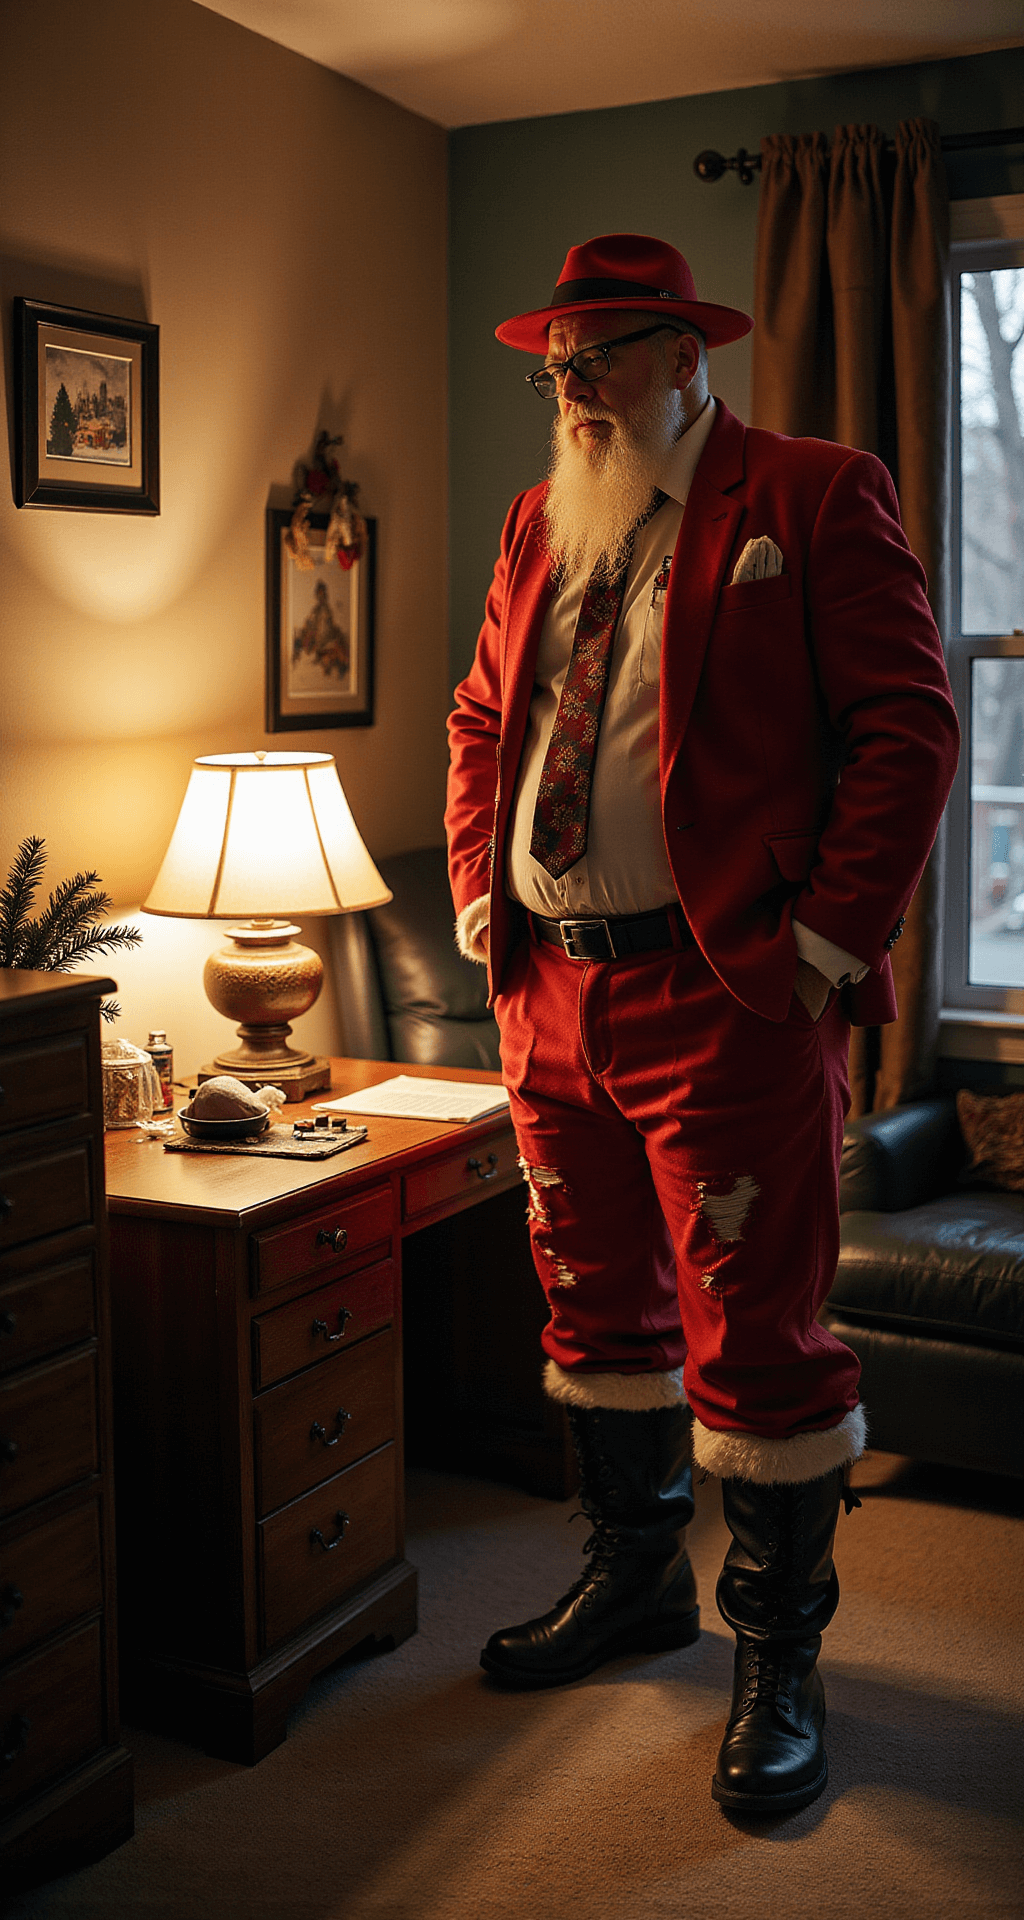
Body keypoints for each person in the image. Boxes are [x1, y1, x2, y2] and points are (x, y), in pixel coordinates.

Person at [444, 232, 959, 1815]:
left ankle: (779, 1656)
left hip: (726, 995)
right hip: (551, 991)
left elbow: (909, 724)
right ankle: (637, 1581)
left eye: (602, 354)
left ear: (685, 354)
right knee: (594, 1311)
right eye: (557, 364)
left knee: (762, 1340)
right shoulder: (541, 519)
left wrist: (823, 945)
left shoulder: (807, 492)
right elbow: (483, 716)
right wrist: (482, 895)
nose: (574, 387)